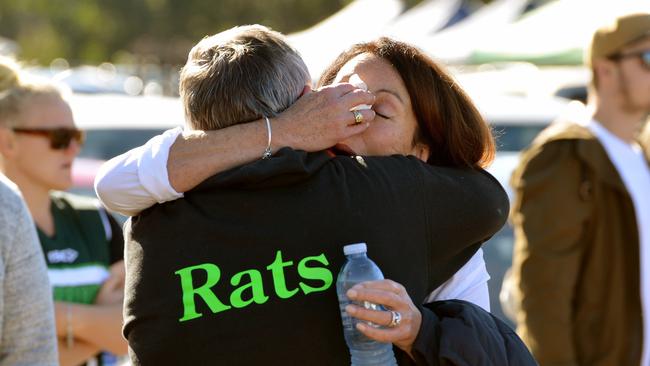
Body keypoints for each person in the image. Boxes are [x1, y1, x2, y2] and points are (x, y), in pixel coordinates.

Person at [98, 26, 534, 365]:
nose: (347, 117)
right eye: (335, 100)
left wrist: (419, 330)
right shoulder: (172, 212)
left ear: (422, 152)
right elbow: (113, 184)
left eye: (378, 110)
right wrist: (285, 131)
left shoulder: (433, 218)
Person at [510, 12, 650, 366]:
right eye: (648, 58)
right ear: (606, 69)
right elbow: (544, 295)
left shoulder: (642, 154)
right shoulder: (567, 155)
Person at [0, 58, 128, 366]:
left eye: (77, 136)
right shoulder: (6, 228)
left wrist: (55, 318)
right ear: (7, 141)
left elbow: (135, 329)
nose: (74, 149)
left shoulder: (98, 220)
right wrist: (97, 327)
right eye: (59, 138)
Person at [0, 173, 58, 365]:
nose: (73, 149)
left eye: (79, 140)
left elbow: (33, 352)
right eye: (59, 141)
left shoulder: (7, 202)